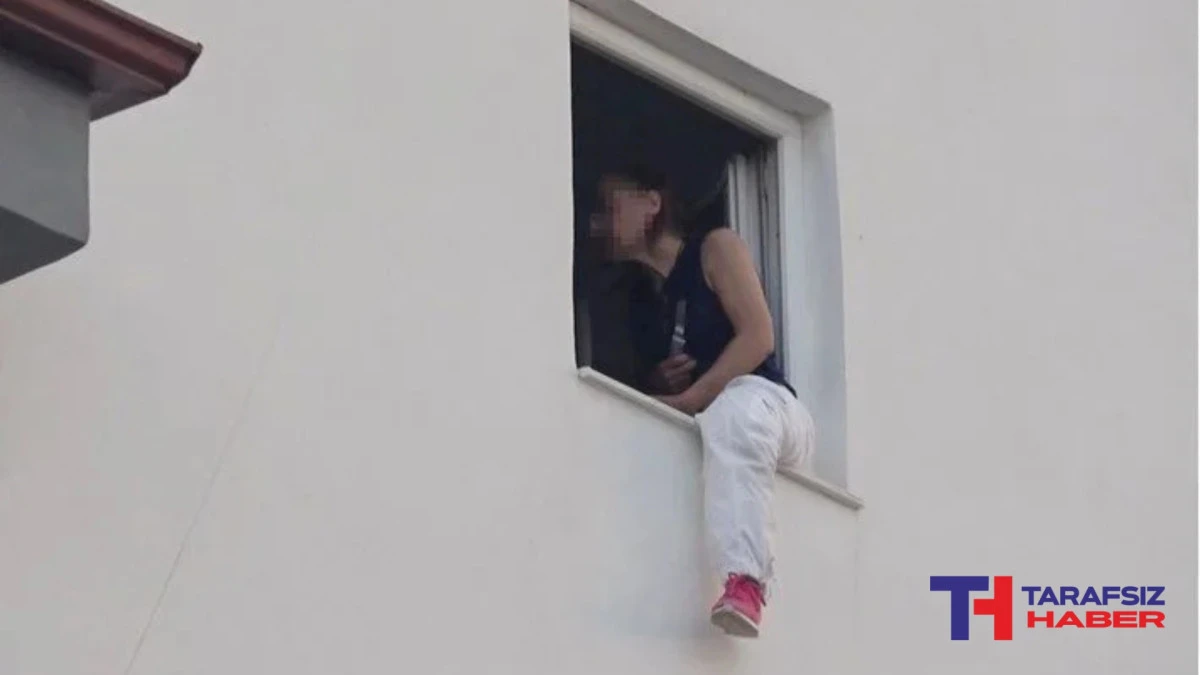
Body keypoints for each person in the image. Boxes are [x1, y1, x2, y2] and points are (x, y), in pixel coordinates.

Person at [590, 164, 815, 638]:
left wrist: (691, 396)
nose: (598, 223)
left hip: (772, 410)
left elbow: (758, 337)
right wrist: (657, 380)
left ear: (652, 203)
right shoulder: (646, 305)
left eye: (610, 205)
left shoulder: (716, 248)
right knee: (722, 419)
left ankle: (747, 582)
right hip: (724, 426)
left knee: (735, 410)